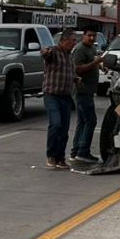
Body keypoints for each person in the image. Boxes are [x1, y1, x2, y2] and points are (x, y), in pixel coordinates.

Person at [41, 27, 77, 169]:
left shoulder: (69, 57)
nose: (74, 43)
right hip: (52, 95)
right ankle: (51, 155)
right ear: (64, 41)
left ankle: (60, 158)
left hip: (65, 97)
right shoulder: (54, 52)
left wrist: (76, 78)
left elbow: (69, 73)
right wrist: (45, 52)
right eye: (72, 40)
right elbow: (46, 54)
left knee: (64, 129)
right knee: (55, 124)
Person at [71, 28, 104, 163]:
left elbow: (91, 63)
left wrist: (100, 66)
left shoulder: (91, 48)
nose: (91, 38)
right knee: (91, 121)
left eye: (94, 35)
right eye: (89, 35)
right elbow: (77, 69)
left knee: (83, 121)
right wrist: (96, 63)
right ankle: (83, 152)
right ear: (84, 36)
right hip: (82, 90)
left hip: (89, 91)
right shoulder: (80, 49)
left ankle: (76, 151)